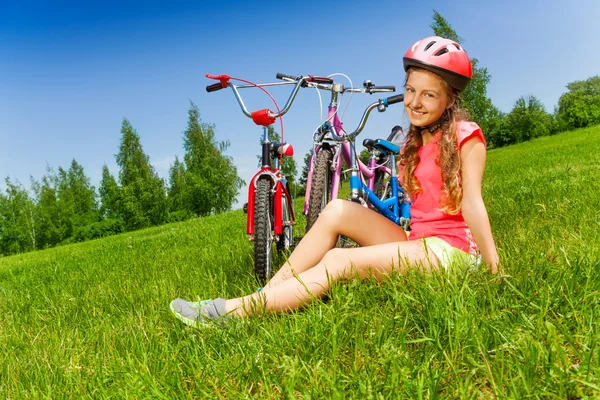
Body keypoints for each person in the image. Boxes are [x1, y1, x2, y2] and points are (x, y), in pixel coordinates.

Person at [170, 36, 500, 327]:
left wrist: (493, 269)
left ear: (450, 100)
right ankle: (268, 294)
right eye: (411, 90)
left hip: (451, 254)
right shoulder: (418, 142)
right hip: (418, 242)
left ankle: (234, 312)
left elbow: (472, 202)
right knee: (337, 210)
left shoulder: (465, 135)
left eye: (429, 95)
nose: (415, 102)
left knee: (338, 260)